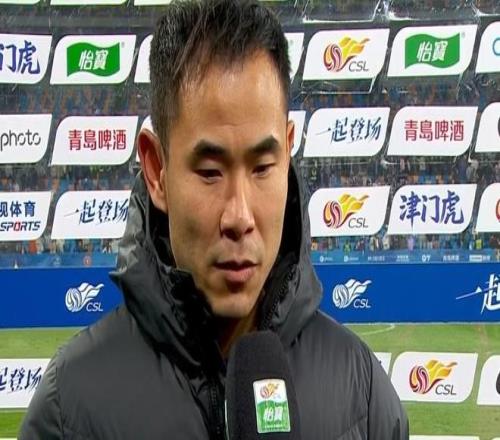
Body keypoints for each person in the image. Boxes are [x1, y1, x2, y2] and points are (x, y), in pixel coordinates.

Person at [19, 1, 408, 438]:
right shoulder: (70, 408)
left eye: (263, 167)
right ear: (156, 169)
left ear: (288, 153)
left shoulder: (362, 394)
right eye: (209, 172)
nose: (239, 216)